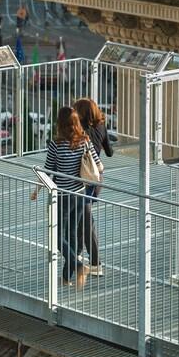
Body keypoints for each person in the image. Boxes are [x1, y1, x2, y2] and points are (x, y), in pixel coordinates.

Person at [30, 107, 100, 288]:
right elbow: (99, 167)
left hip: (61, 196)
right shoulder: (85, 141)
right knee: (71, 235)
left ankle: (78, 266)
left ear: (60, 124)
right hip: (80, 194)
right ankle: (66, 279)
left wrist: (36, 190)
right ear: (77, 123)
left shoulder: (56, 144)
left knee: (57, 236)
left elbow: (48, 170)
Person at [73, 98, 113, 276]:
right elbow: (110, 152)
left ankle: (96, 263)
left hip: (82, 181)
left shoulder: (79, 131)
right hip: (97, 180)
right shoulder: (102, 127)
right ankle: (79, 253)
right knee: (83, 215)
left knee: (87, 220)